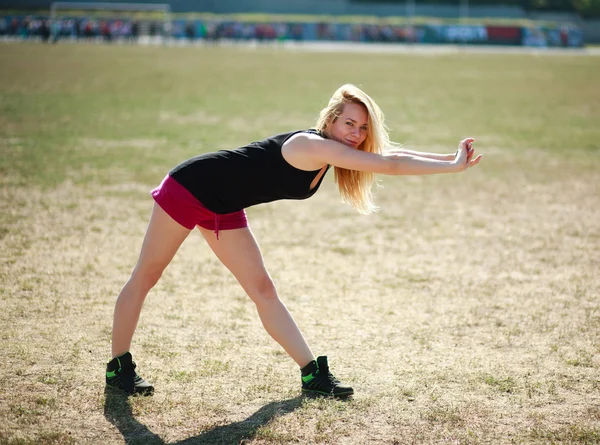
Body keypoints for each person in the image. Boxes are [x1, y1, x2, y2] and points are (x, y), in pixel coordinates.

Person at [105, 84, 482, 398]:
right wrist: (451, 166)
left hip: (225, 205)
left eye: (363, 128)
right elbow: (391, 165)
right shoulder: (314, 146)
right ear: (331, 121)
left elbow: (388, 156)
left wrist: (449, 158)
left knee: (263, 289)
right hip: (191, 188)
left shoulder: (333, 154)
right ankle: (118, 367)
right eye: (349, 123)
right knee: (147, 276)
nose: (356, 133)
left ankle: (311, 375)